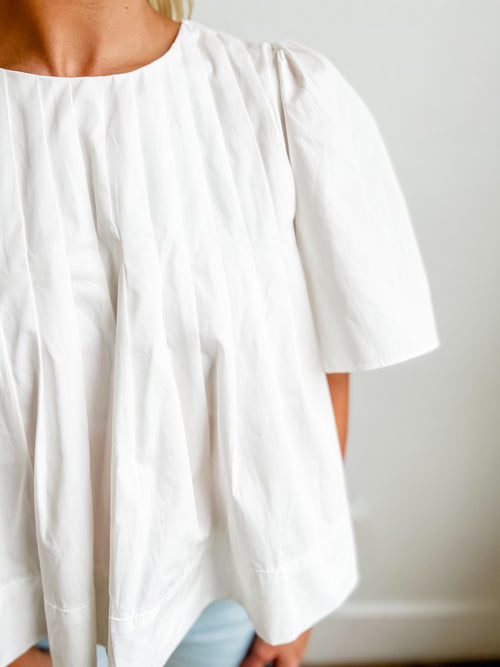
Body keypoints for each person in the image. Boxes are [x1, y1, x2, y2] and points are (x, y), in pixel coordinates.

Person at [0, 0, 440, 665]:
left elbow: (315, 371)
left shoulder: (272, 97)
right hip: (15, 613)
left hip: (220, 599)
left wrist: (289, 596)